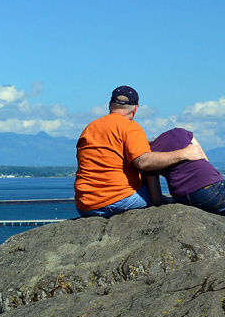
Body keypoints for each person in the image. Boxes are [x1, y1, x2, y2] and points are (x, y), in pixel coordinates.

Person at [75, 86, 206, 218]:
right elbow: (144, 162)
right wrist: (184, 153)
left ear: (110, 105)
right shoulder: (129, 127)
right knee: (152, 164)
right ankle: (158, 201)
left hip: (85, 205)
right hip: (118, 201)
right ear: (135, 109)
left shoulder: (90, 128)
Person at [149, 127, 225, 247]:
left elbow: (156, 199)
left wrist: (167, 200)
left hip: (181, 195)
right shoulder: (180, 132)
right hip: (208, 185)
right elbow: (204, 159)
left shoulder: (149, 156)